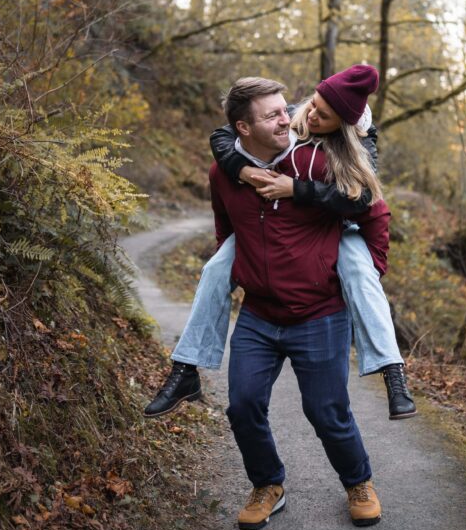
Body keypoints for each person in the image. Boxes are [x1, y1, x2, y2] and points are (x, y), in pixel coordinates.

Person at [144, 65, 416, 422]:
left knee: (362, 275)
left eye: (324, 115)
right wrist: (241, 170)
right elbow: (223, 138)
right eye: (314, 104)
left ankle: (392, 374)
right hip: (277, 229)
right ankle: (186, 369)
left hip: (339, 225)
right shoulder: (292, 115)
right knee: (215, 269)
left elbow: (364, 201)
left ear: (344, 126)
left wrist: (296, 190)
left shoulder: (359, 144)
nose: (311, 115)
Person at [189, 76, 382, 529]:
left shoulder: (315, 162)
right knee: (243, 404)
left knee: (326, 411)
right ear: (242, 128)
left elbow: (368, 203)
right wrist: (238, 273)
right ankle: (268, 484)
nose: (290, 118)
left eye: (285, 109)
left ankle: (358, 481)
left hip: (320, 313)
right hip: (258, 314)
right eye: (273, 114)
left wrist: (370, 270)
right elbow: (225, 228)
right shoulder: (225, 173)